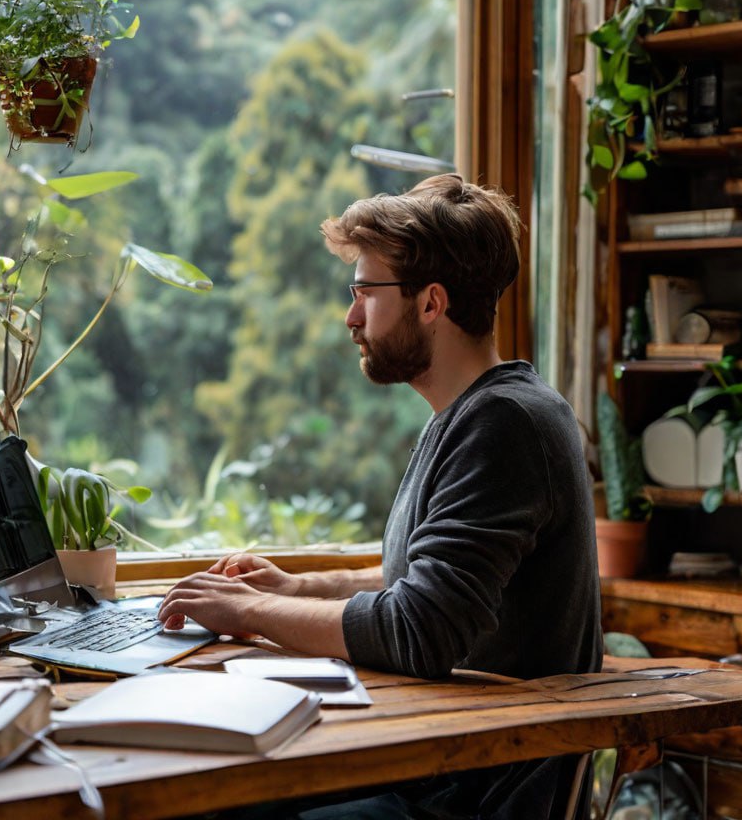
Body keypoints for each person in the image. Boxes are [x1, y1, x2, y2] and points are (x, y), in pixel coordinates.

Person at [159, 174, 602, 819]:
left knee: (209, 801)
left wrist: (251, 613)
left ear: (431, 304)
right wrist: (291, 590)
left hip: (466, 794)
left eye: (366, 291)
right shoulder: (476, 413)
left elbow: (421, 630)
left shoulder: (504, 425)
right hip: (434, 760)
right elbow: (419, 584)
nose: (351, 315)